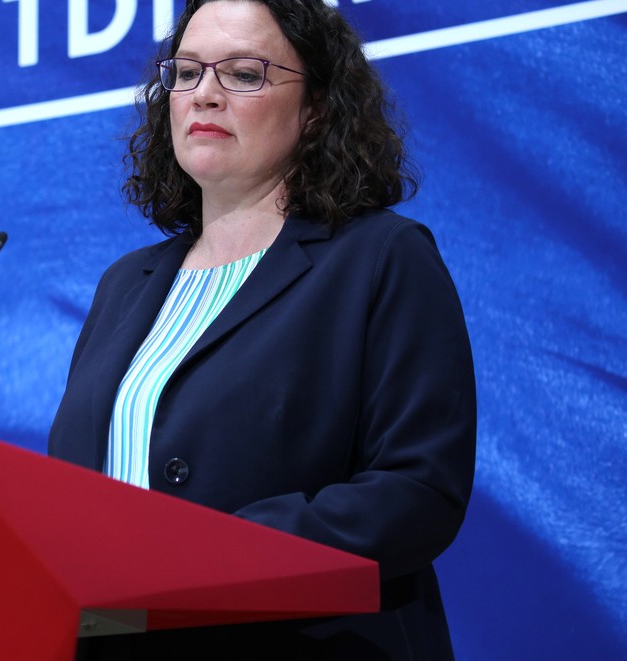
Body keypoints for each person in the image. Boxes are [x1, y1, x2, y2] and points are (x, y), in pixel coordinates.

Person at [48, 0, 476, 658]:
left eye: (243, 74)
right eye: (185, 72)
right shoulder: (122, 285)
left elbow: (416, 489)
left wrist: (211, 556)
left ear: (317, 109)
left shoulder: (381, 258)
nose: (205, 95)